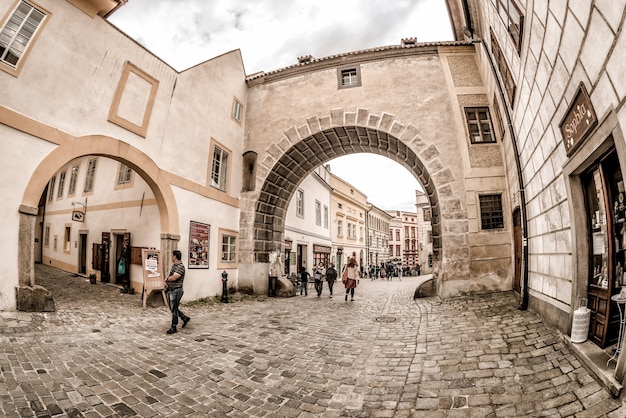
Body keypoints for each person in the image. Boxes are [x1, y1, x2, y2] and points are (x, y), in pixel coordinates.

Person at [164, 250, 190, 334]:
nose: (171, 257)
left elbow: (175, 277)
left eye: (172, 255)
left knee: (174, 308)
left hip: (177, 290)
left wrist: (167, 279)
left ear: (175, 256)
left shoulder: (180, 266)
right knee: (173, 308)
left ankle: (174, 326)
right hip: (171, 289)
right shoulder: (174, 266)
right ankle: (184, 318)